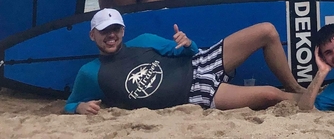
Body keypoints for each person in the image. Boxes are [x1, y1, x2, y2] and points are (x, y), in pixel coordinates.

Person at [65, 8, 303, 113]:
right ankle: (311, 101)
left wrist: (187, 44)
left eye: (116, 29)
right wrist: (79, 107)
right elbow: (70, 103)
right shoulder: (90, 72)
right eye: (105, 30)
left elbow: (187, 52)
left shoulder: (145, 40)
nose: (111, 35)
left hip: (200, 62)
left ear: (123, 31)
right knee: (272, 95)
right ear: (92, 34)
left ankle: (296, 86)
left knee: (267, 30)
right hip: (194, 93)